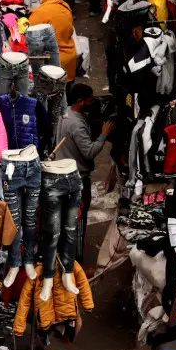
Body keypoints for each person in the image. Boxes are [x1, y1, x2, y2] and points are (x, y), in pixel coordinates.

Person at [57, 83, 116, 253]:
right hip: (78, 179)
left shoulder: (64, 113)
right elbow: (89, 152)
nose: (93, 103)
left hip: (63, 173)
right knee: (78, 222)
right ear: (80, 102)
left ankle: (64, 256)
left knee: (64, 221)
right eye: (90, 101)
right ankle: (77, 263)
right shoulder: (77, 124)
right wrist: (103, 134)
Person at [28, 0, 78, 79]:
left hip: (53, 63)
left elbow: (31, 37)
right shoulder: (65, 6)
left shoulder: (41, 13)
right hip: (70, 57)